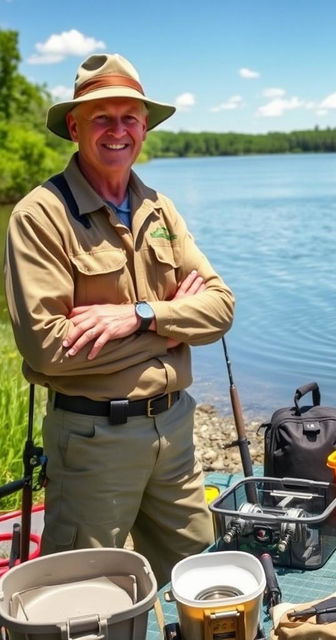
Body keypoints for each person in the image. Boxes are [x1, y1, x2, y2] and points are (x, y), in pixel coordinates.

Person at [3, 53, 235, 585]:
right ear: (74, 125)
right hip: (91, 441)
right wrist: (176, 328)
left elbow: (221, 308)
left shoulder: (159, 207)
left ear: (145, 127)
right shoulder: (40, 216)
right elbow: (47, 348)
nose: (118, 130)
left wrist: (141, 316)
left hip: (175, 433)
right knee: (84, 594)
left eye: (130, 117)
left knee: (202, 579)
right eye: (102, 117)